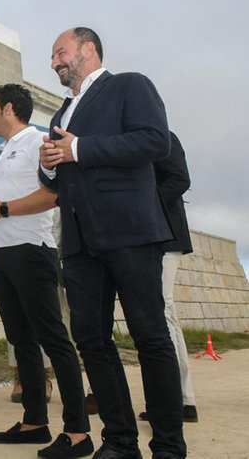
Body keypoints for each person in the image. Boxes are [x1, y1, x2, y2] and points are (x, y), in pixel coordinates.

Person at [39, 27, 185, 458]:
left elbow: (154, 142)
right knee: (90, 339)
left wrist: (79, 149)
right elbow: (57, 177)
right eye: (52, 57)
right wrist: (49, 166)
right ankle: (120, 441)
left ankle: (169, 447)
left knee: (150, 337)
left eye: (60, 53)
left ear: (89, 50)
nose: (54, 63)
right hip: (80, 242)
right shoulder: (60, 113)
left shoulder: (129, 85)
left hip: (130, 232)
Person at [0, 84, 92, 458]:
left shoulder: (38, 142)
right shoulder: (6, 150)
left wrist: (2, 210)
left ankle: (77, 432)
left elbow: (52, 196)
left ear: (8, 108)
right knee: (21, 340)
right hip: (3, 252)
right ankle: (35, 422)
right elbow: (4, 205)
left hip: (32, 252)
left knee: (54, 340)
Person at [139, 132, 198, 423]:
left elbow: (180, 179)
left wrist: (143, 203)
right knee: (158, 314)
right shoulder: (135, 141)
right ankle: (172, 398)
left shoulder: (165, 138)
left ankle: (182, 400)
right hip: (146, 239)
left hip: (167, 236)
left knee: (163, 310)